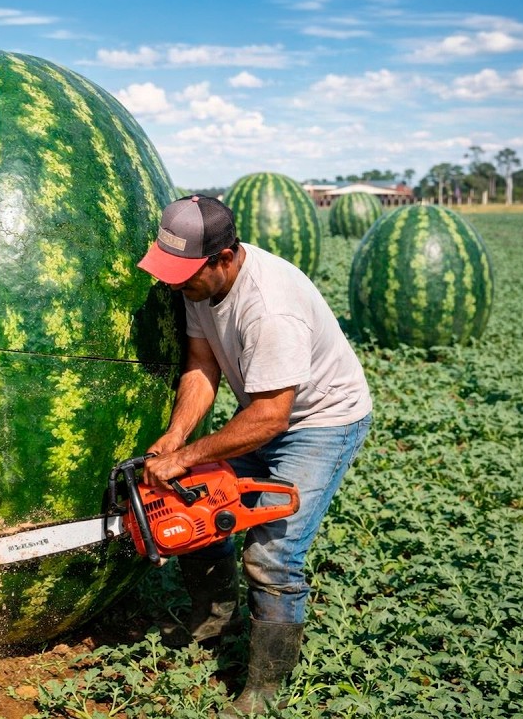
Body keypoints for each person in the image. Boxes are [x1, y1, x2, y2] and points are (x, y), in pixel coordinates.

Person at [136, 194, 372, 716]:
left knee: (271, 556)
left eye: (185, 273)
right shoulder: (198, 284)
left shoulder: (271, 309)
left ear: (224, 258)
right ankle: (214, 617)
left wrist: (188, 454)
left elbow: (270, 418)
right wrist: (177, 439)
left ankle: (264, 690)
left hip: (320, 423)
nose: (175, 284)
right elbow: (202, 364)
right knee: (189, 500)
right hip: (264, 415)